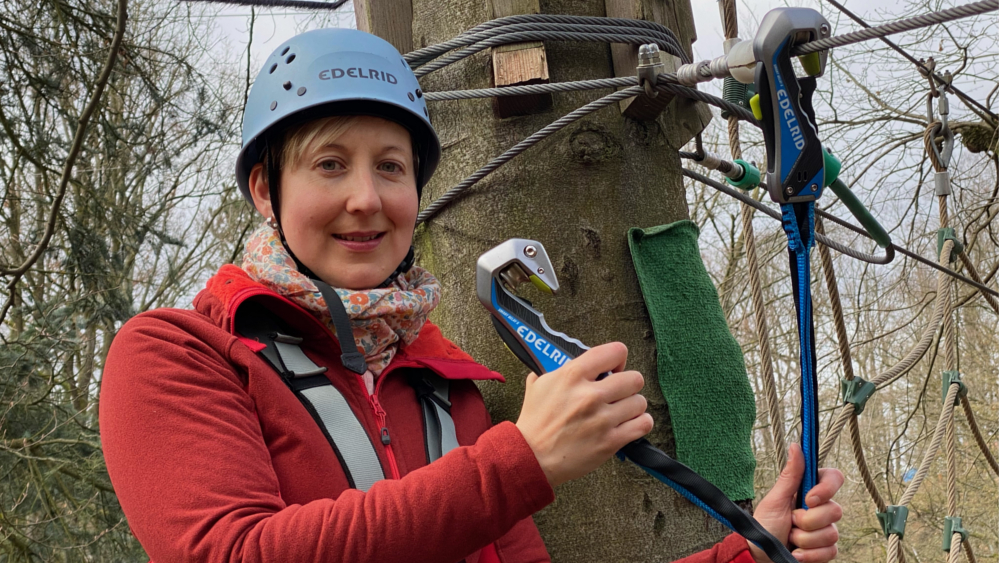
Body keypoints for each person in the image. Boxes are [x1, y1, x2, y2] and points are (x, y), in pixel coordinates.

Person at [100, 28, 843, 563]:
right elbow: (234, 551)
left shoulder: (443, 388)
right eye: (330, 163)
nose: (366, 198)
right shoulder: (181, 354)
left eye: (391, 168)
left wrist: (752, 547)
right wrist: (520, 460)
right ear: (266, 188)